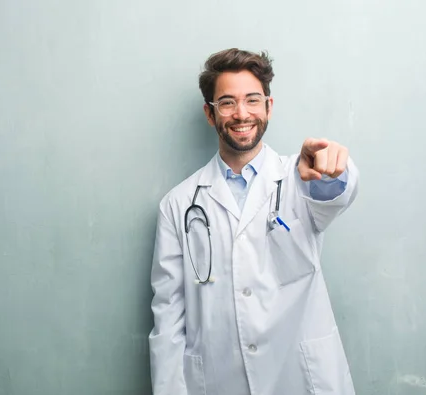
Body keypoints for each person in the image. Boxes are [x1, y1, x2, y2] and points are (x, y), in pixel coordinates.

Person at [148, 48, 359, 395]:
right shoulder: (178, 206)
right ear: (210, 114)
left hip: (299, 377)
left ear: (268, 107)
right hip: (219, 381)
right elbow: (168, 319)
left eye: (252, 100)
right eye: (227, 103)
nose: (241, 114)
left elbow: (337, 192)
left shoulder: (300, 178)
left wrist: (331, 169)